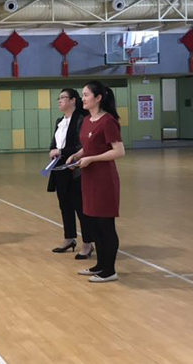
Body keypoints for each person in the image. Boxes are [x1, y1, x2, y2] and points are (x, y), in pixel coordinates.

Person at [66, 81, 125, 283]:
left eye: (86, 95)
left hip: (104, 180)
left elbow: (119, 151)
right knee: (93, 224)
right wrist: (77, 155)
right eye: (82, 95)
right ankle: (100, 265)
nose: (82, 98)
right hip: (89, 178)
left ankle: (110, 270)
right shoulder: (87, 120)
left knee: (105, 225)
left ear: (98, 98)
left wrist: (92, 159)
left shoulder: (108, 121)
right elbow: (89, 146)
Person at [47, 89, 94, 259]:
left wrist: (61, 151)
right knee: (65, 205)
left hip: (75, 168)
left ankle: (88, 243)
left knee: (80, 207)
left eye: (63, 98)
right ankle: (69, 238)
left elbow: (81, 146)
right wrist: (53, 150)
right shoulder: (60, 121)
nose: (59, 101)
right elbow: (55, 143)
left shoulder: (81, 120)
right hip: (60, 168)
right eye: (58, 98)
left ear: (73, 100)